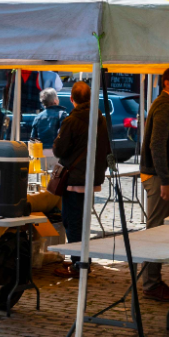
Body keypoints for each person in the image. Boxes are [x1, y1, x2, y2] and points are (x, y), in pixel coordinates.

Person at [136, 67, 169, 299]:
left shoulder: (168, 104)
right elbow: (157, 144)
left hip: (161, 176)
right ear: (167, 83)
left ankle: (156, 281)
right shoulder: (166, 105)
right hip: (159, 177)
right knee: (156, 230)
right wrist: (165, 180)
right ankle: (151, 284)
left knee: (159, 229)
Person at [51, 81, 110, 245]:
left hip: (74, 179)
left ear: (71, 99)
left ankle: (78, 263)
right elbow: (107, 149)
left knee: (72, 221)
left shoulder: (71, 121)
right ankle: (82, 259)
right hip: (92, 178)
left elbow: (59, 150)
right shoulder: (101, 120)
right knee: (82, 221)